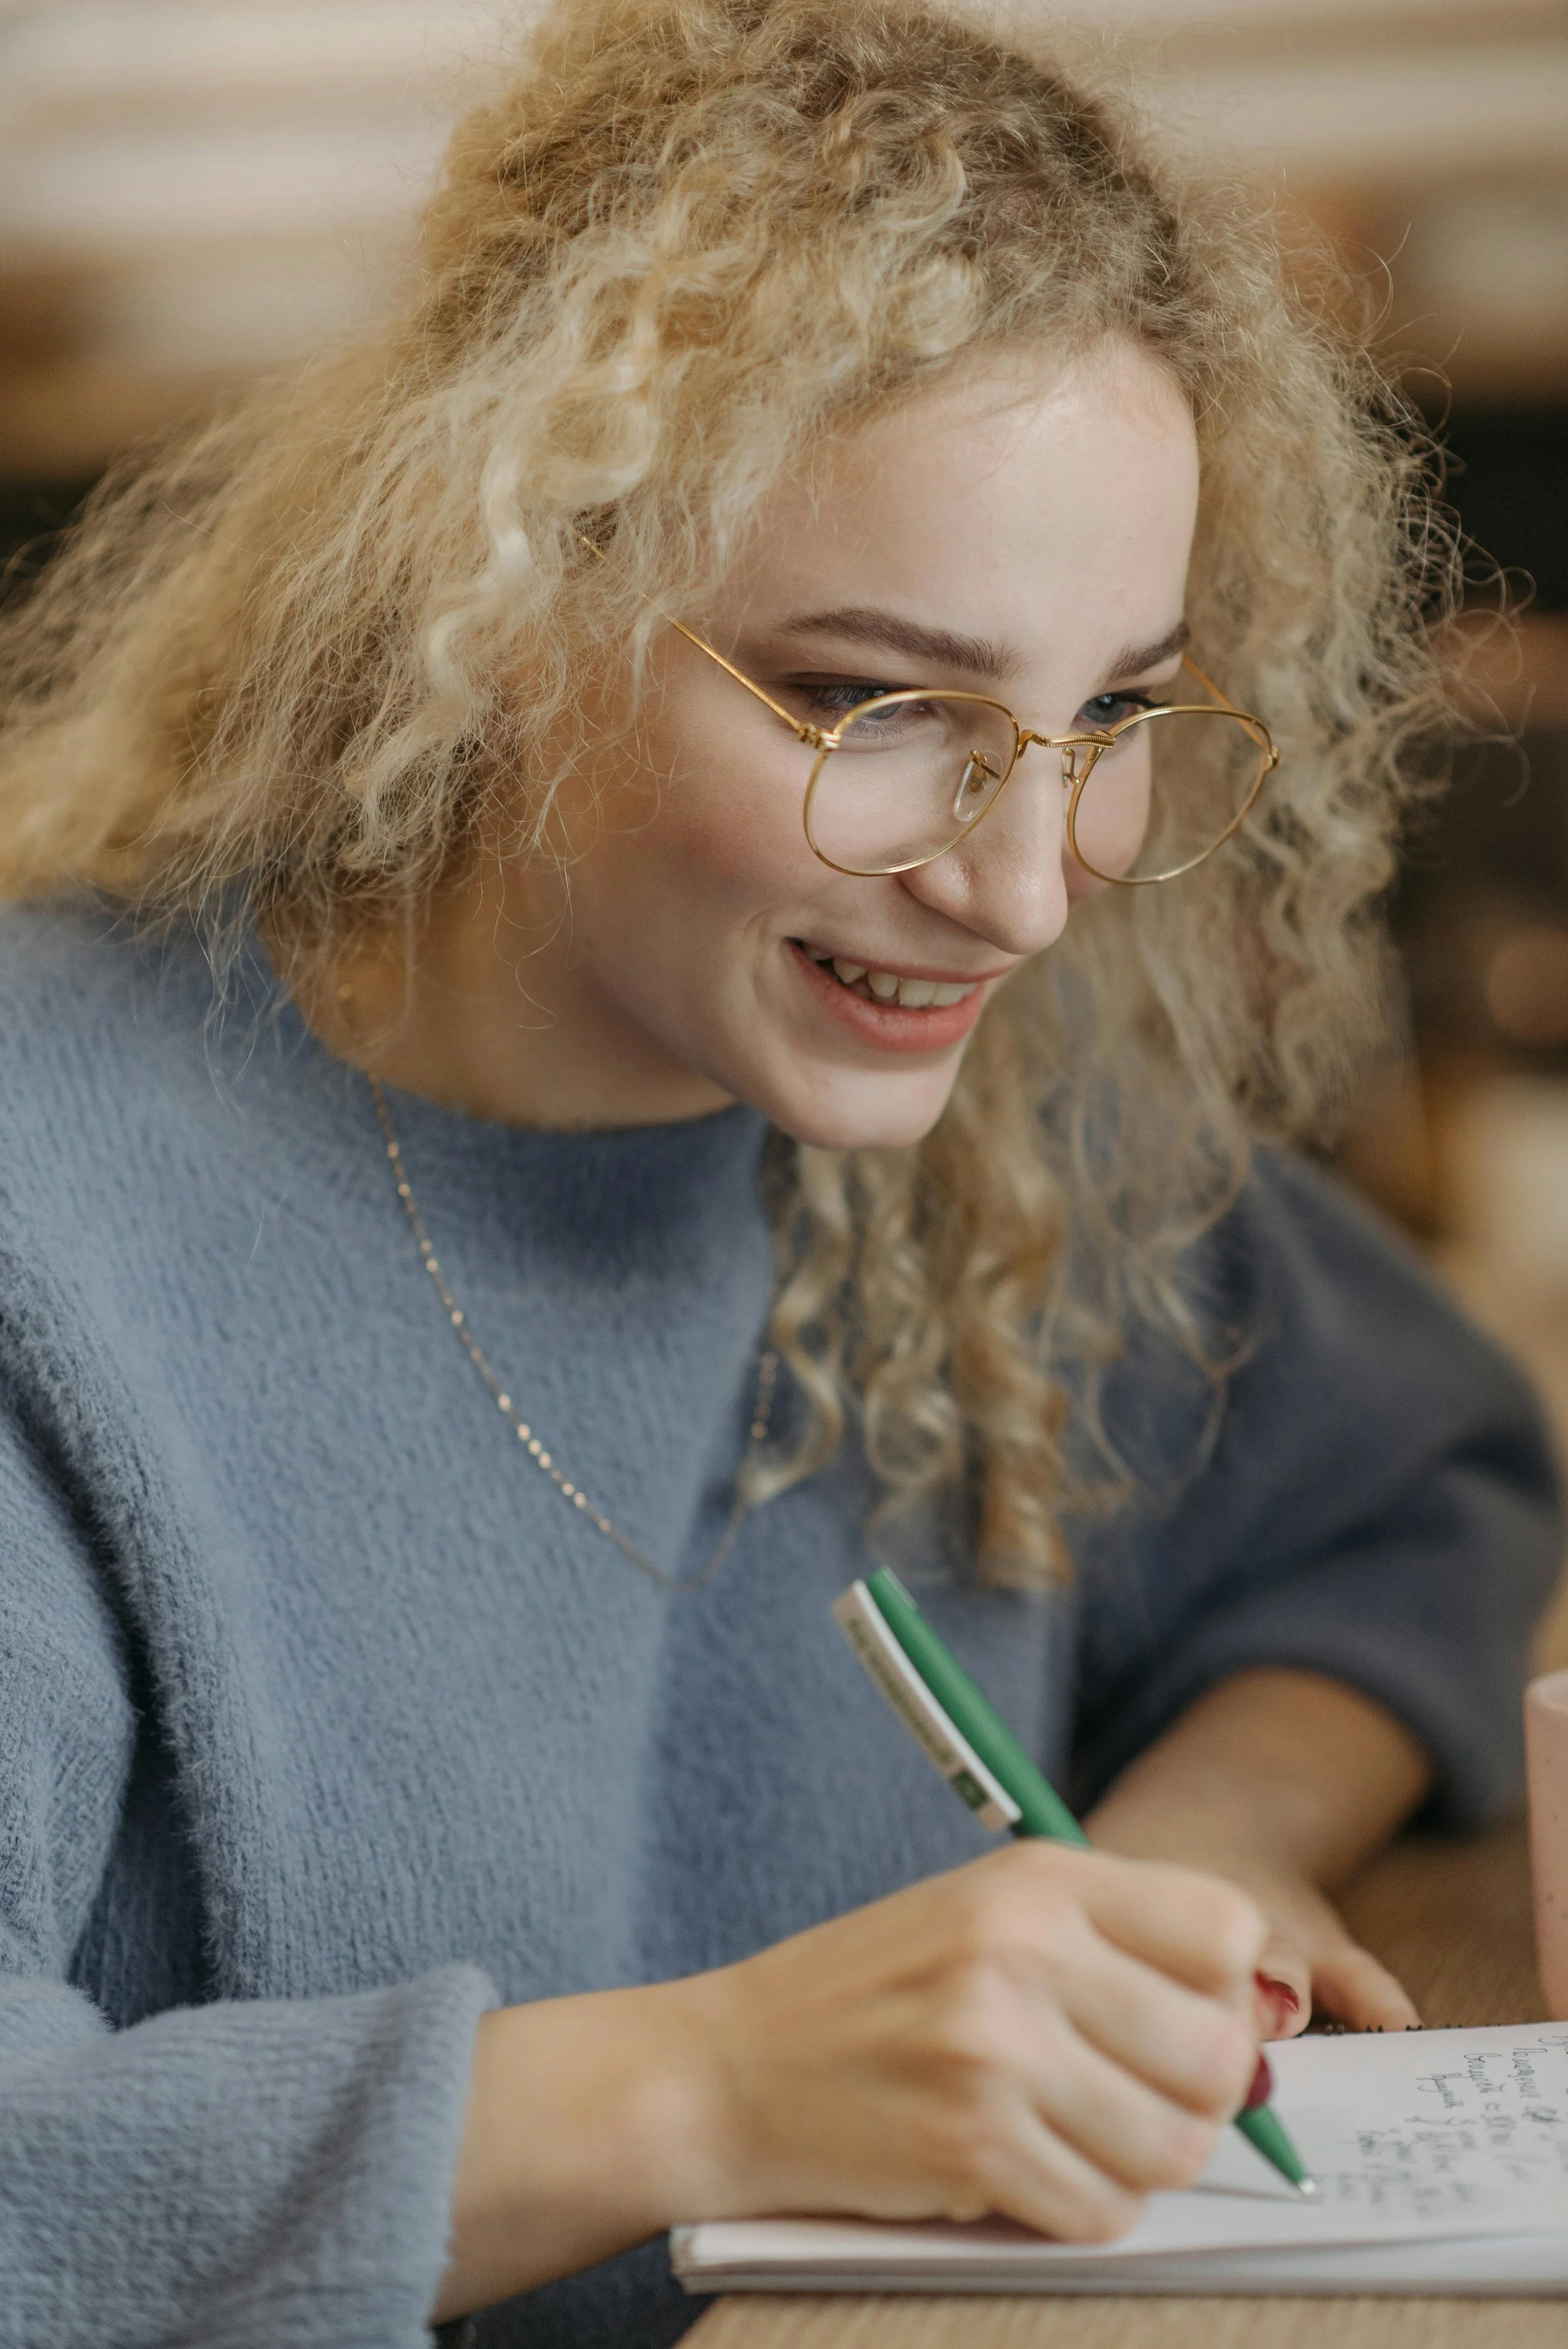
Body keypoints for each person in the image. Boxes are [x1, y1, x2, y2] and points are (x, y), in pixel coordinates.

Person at [0, 2, 1558, 2343]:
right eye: (878, 705)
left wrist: (1192, 1855)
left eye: (1108, 715)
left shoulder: (980, 1109)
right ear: (506, 586)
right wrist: (713, 2086)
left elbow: (1413, 1484)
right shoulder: (56, 1210)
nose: (1027, 890)